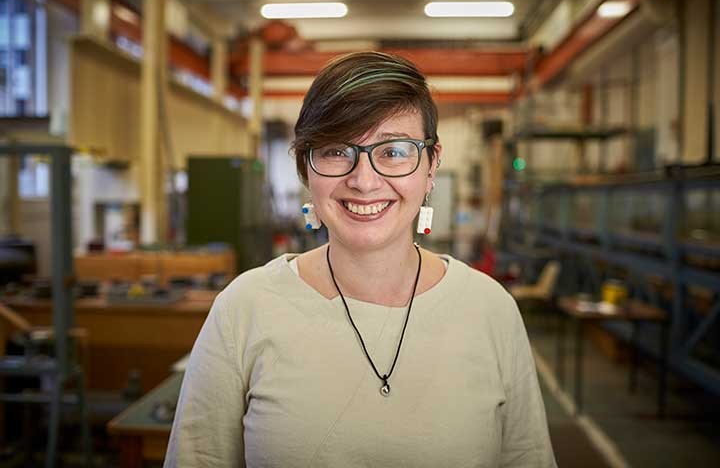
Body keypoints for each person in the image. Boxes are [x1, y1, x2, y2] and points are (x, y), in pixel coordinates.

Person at [164, 52, 556, 467]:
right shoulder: (244, 309)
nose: (364, 181)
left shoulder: (490, 309)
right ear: (305, 169)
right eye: (335, 151)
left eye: (393, 152)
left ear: (431, 164)